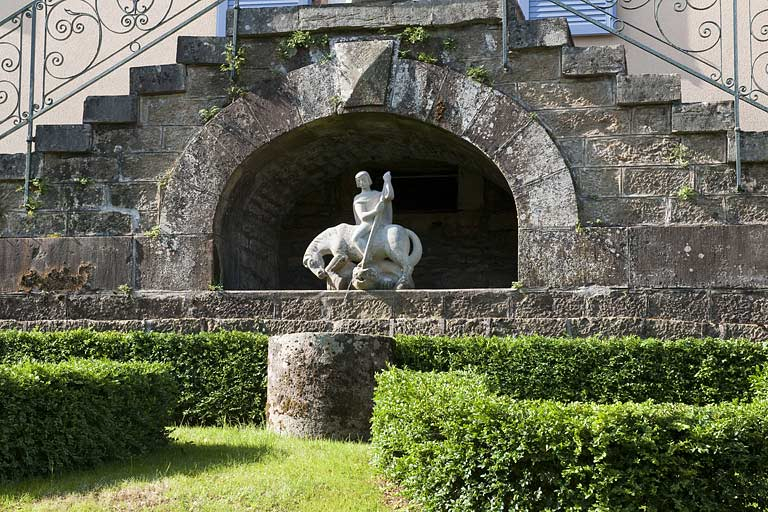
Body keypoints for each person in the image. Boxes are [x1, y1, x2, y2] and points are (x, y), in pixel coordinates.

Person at [351, 171, 393, 258]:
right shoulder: (358, 198)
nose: (362, 182)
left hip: (380, 221)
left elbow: (389, 196)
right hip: (368, 223)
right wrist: (375, 211)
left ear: (369, 180)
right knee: (355, 239)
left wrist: (387, 181)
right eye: (359, 181)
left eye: (364, 179)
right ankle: (369, 257)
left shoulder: (378, 194)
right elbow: (362, 216)